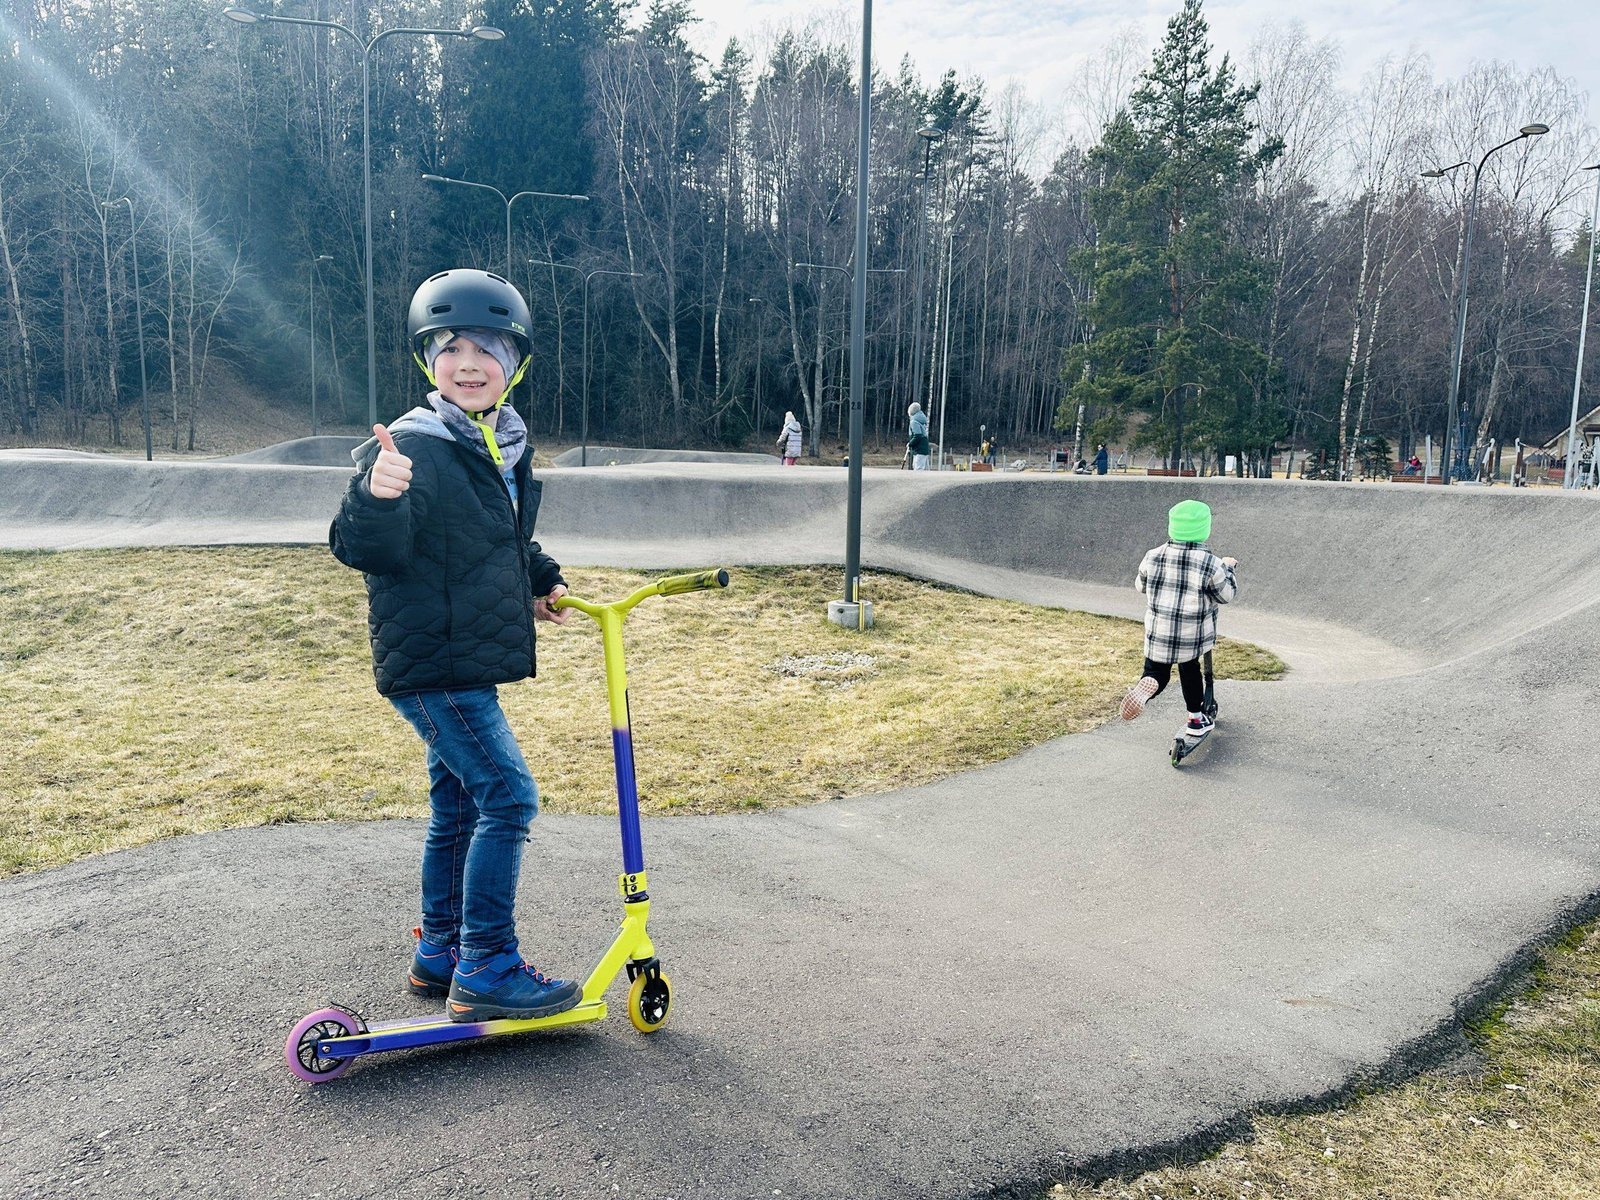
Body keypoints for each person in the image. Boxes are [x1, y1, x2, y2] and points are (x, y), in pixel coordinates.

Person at [329, 268, 581, 1024]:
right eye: (452, 348)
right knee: (508, 796)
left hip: (460, 654)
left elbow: (499, 538)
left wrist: (541, 579)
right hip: (435, 661)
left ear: (515, 365)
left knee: (461, 807)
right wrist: (376, 495)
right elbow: (362, 546)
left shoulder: (501, 443)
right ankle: (488, 967)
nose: (470, 364)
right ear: (428, 360)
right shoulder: (416, 444)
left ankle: (440, 951)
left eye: (489, 350)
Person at [1119, 499, 1238, 744]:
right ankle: (1195, 719)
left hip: (1158, 631)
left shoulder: (1153, 556)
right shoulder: (1211, 563)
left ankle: (1145, 686)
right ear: (1205, 529)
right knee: (1189, 669)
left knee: (1156, 672)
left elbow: (1140, 585)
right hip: (1190, 635)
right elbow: (1225, 595)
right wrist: (1228, 569)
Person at [908, 402, 931, 470]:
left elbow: (917, 435)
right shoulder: (920, 420)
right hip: (923, 448)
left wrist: (910, 443)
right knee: (923, 468)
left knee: (918, 468)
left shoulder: (914, 422)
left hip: (919, 450)